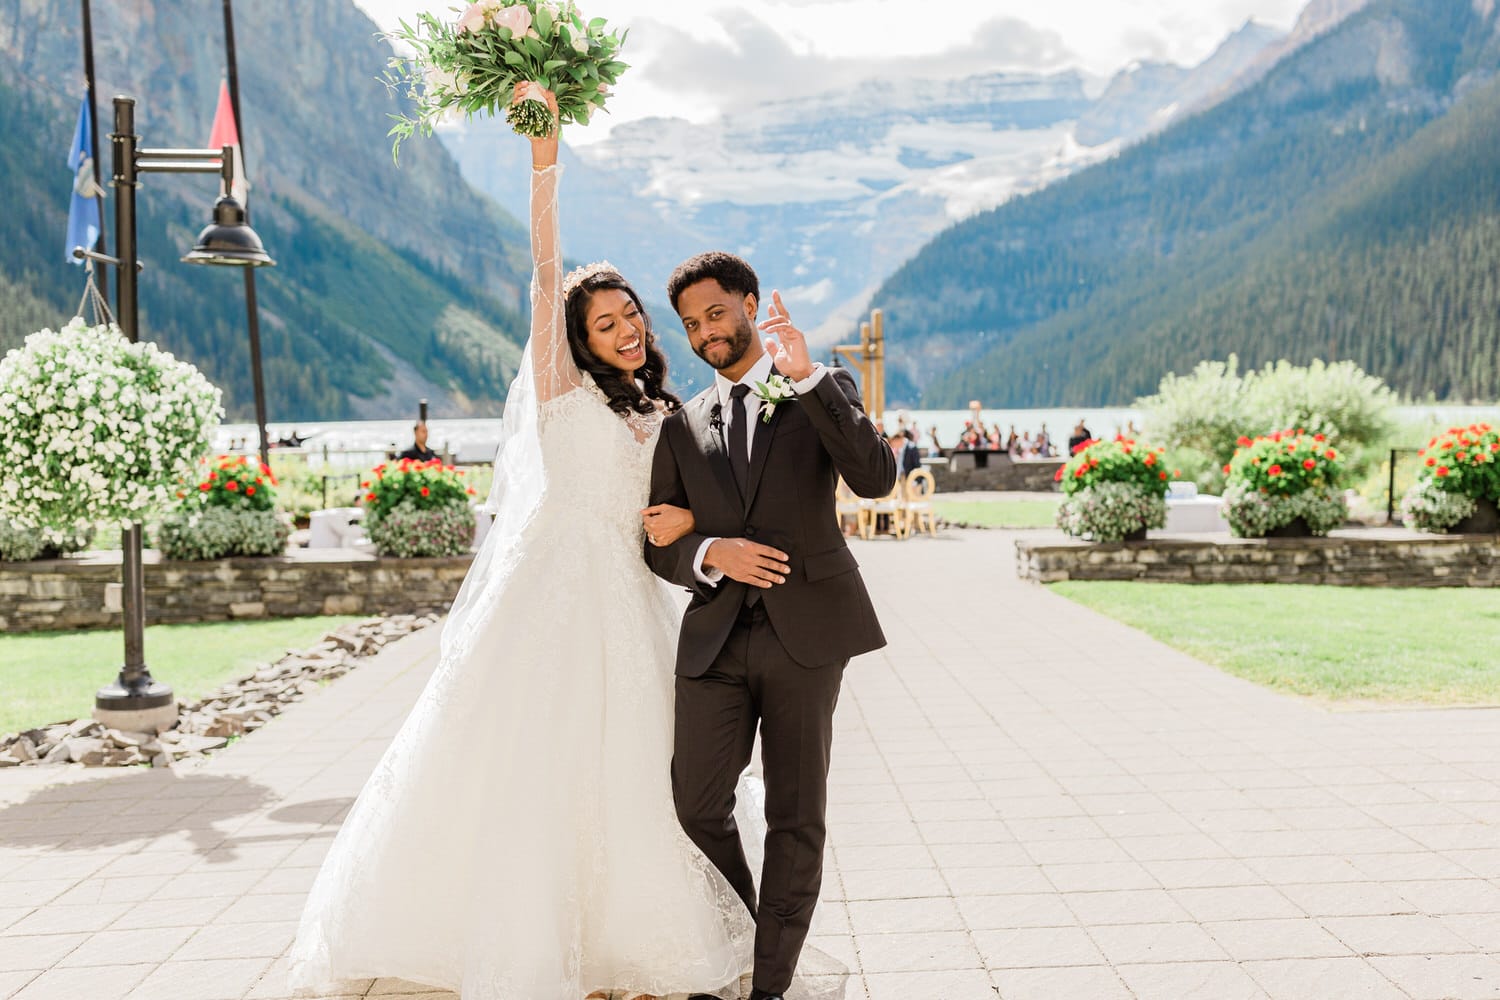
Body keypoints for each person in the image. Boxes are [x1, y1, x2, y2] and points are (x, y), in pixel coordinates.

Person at [290, 84, 753, 1000]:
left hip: (629, 595)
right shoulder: (557, 396)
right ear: (576, 343)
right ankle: (511, 941)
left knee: (633, 764)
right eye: (605, 324)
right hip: (547, 591)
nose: (626, 332)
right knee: (529, 760)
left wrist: (694, 526)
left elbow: (687, 497)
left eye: (633, 320)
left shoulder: (664, 410)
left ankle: (631, 949)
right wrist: (546, 154)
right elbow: (548, 273)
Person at [645, 251, 895, 1000]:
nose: (704, 334)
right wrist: (711, 551)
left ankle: (770, 984)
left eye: (716, 314)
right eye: (691, 324)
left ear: (750, 303)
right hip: (716, 638)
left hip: (808, 636)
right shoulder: (683, 425)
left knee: (795, 813)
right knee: (694, 804)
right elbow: (655, 544)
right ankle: (747, 934)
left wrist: (812, 377)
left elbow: (876, 478)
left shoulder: (820, 391)